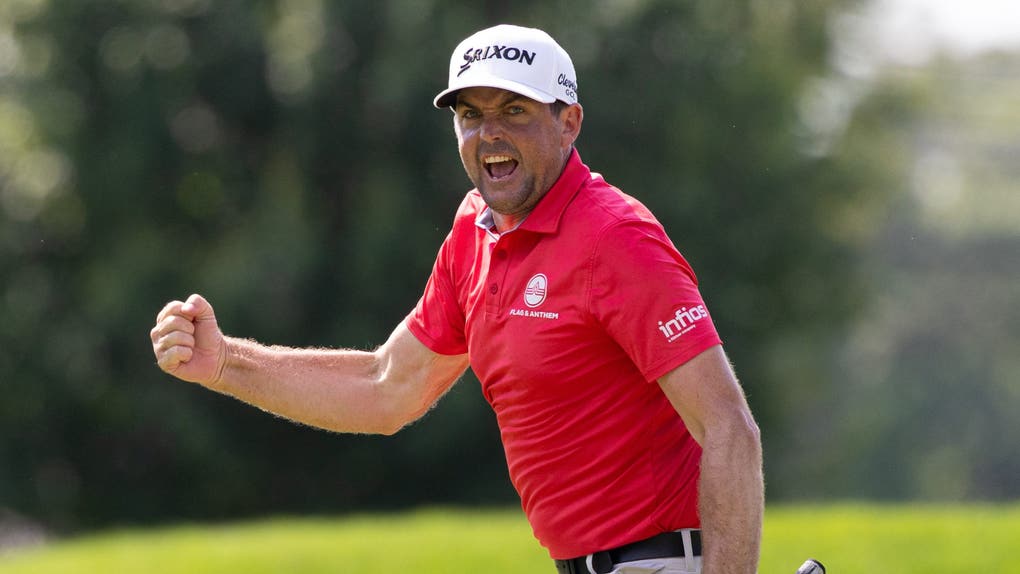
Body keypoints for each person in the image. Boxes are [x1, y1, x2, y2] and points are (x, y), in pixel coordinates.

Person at [150, 24, 763, 574]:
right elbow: (387, 387)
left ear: (569, 122)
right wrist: (226, 362)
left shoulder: (616, 238)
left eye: (515, 110)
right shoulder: (474, 232)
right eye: (471, 114)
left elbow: (728, 428)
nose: (489, 133)